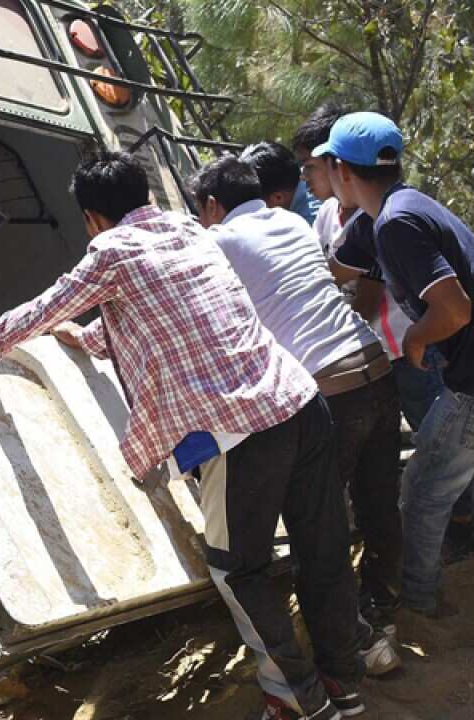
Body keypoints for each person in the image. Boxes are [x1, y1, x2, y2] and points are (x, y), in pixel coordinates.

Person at [0, 152, 366, 720]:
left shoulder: (110, 251)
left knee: (237, 569)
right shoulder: (191, 231)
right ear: (145, 195)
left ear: (92, 218)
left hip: (240, 430)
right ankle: (345, 682)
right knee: (321, 548)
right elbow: (172, 314)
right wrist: (90, 338)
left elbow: (52, 303)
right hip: (299, 400)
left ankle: (297, 699)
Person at [319, 112, 474, 619]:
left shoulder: (396, 224)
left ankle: (418, 600)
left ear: (342, 169)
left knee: (424, 487)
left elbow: (455, 310)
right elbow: (332, 268)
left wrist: (417, 339)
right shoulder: (393, 210)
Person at [191, 155, 405, 644]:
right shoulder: (292, 222)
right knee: (378, 501)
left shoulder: (217, 241)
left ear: (211, 205)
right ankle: (386, 605)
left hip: (327, 388)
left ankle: (351, 641)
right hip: (373, 365)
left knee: (317, 529)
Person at [295, 106, 474, 560]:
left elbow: (370, 287)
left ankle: (464, 522)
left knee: (435, 440)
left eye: (311, 167)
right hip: (374, 352)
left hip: (404, 347)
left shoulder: (382, 216)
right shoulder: (327, 218)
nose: (306, 178)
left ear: (339, 165)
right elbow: (328, 273)